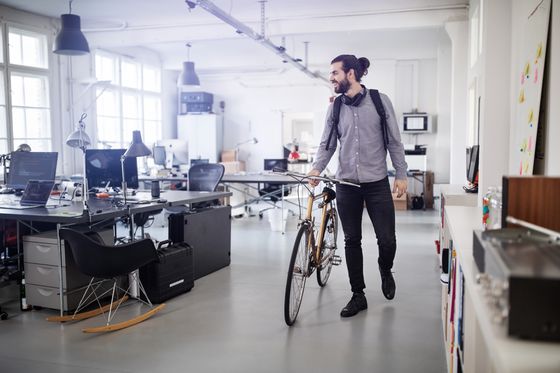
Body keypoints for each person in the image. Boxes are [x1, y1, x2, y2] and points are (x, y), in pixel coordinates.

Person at [308, 54, 408, 318]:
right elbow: (327, 144)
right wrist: (317, 168)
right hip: (346, 184)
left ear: (351, 73)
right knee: (352, 240)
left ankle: (385, 269)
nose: (331, 78)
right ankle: (358, 294)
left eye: (335, 73)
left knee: (387, 240)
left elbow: (394, 141)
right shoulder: (336, 108)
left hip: (376, 183)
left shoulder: (379, 101)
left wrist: (401, 173)